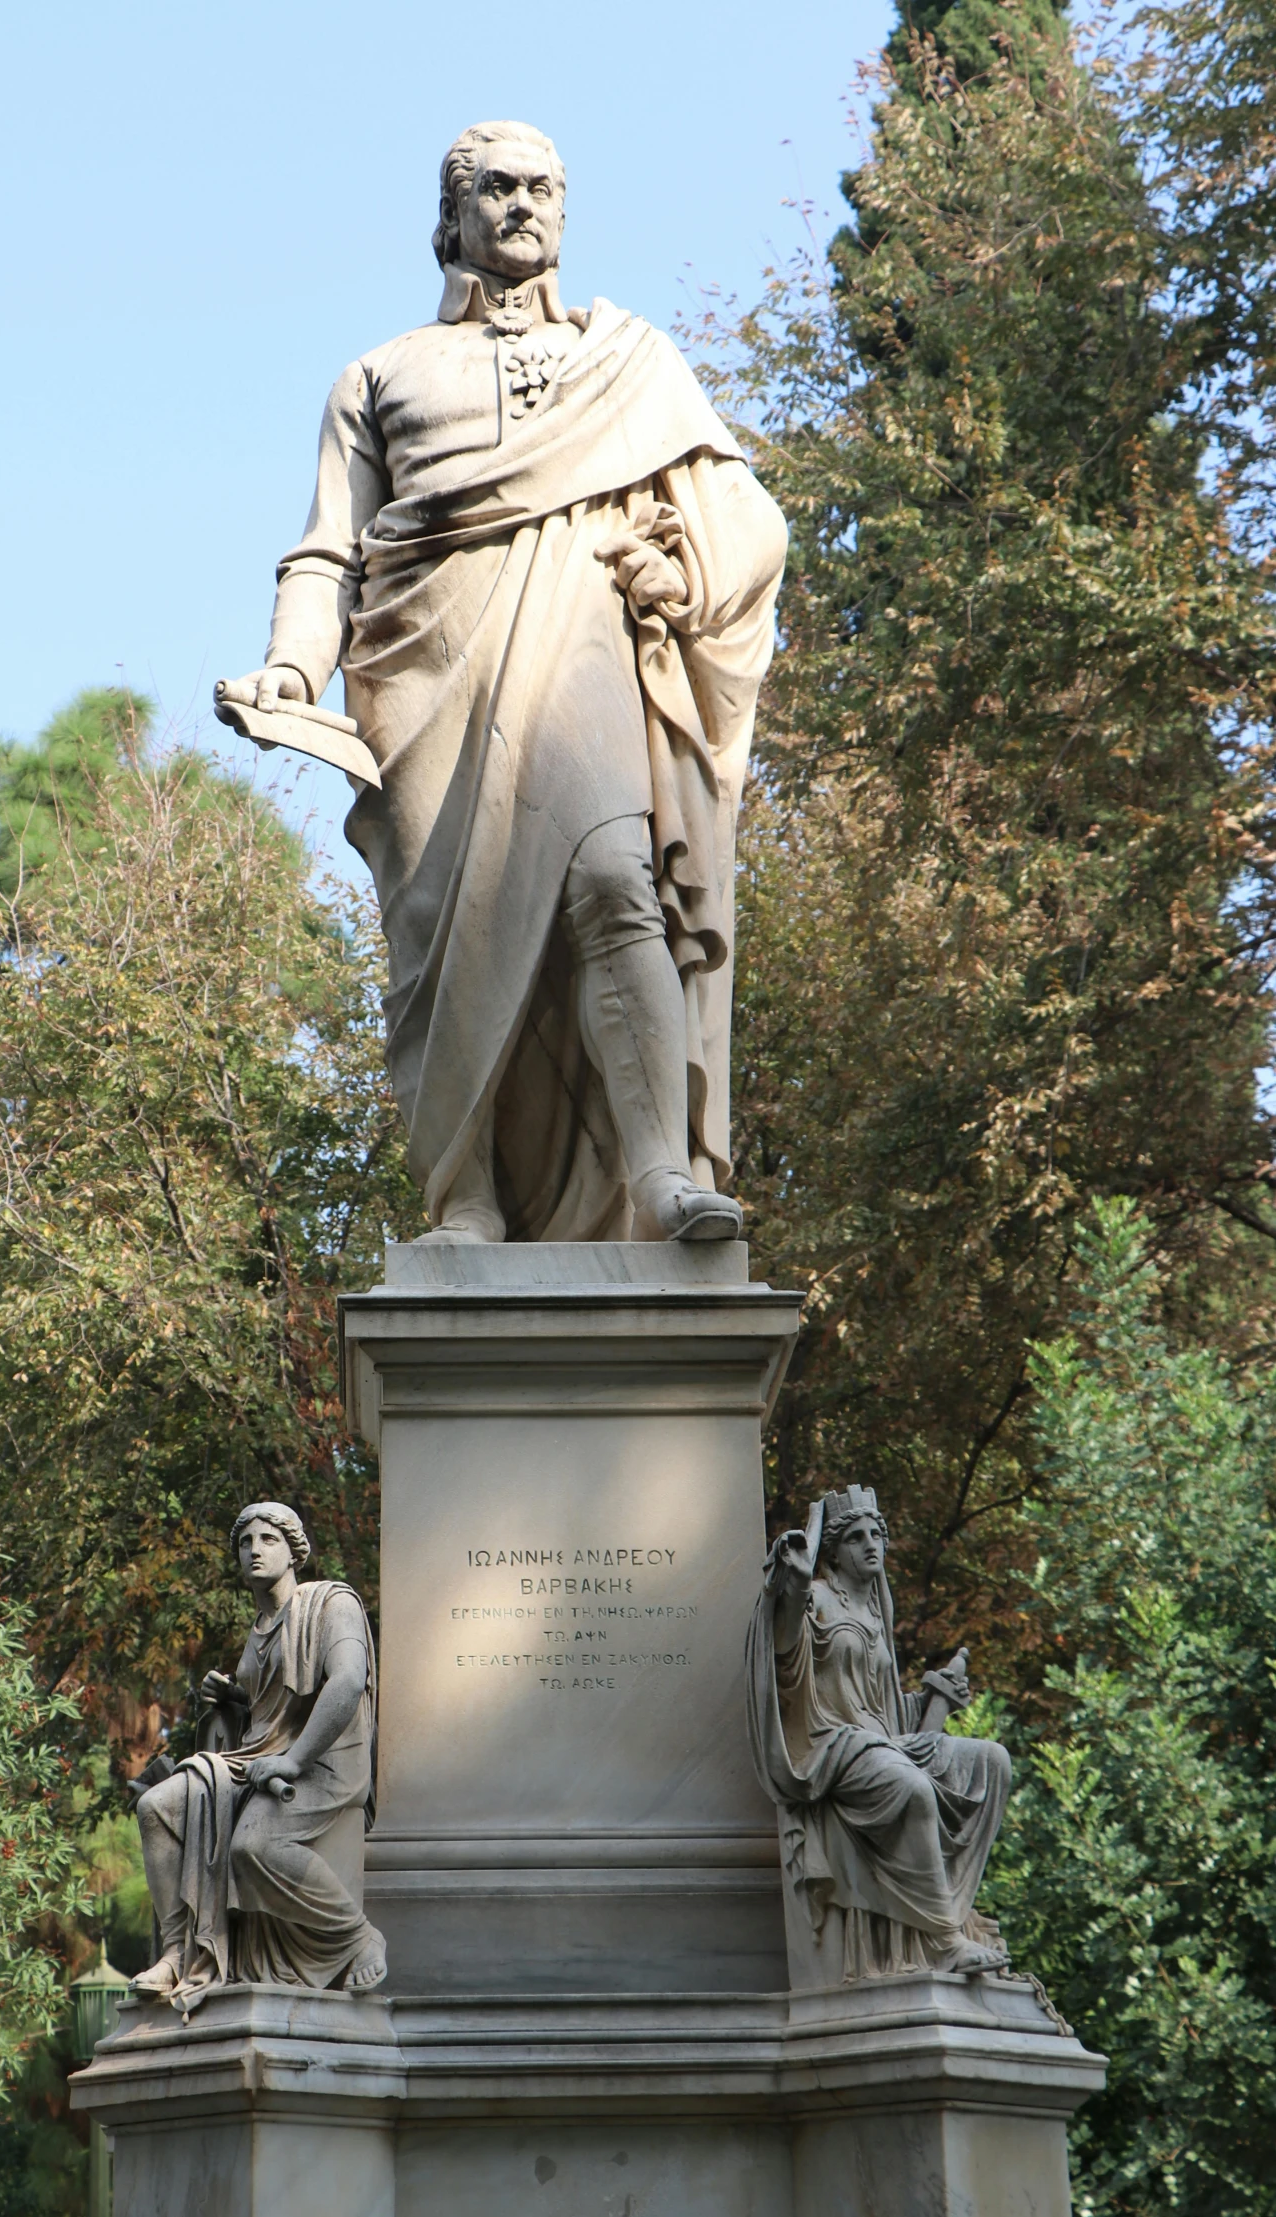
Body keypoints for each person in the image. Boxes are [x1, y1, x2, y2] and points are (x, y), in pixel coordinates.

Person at [218, 121, 787, 1245]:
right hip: (423, 680)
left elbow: (748, 519)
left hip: (579, 655)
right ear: (453, 215)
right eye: (496, 187)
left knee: (618, 886)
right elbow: (327, 552)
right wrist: (291, 665)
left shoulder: (629, 363)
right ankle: (463, 1197)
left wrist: (684, 567)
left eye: (541, 188)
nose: (521, 205)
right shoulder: (379, 375)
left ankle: (657, 1177)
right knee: (447, 937)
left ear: (565, 211)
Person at [746, 1483, 1011, 1980]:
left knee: (991, 1761)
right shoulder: (819, 1597)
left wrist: (936, 1700)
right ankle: (945, 1939)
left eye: (877, 1535)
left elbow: (887, 1713)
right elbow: (784, 1655)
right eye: (856, 1537)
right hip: (832, 1745)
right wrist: (796, 1587)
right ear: (834, 1552)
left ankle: (951, 1910)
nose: (871, 1544)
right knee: (911, 1788)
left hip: (882, 1742)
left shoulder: (875, 1611)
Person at [131, 1502, 385, 2006]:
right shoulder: (258, 1631)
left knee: (254, 1845)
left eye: (268, 1539)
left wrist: (292, 1761)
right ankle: (178, 1952)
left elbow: (348, 1680)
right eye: (245, 1543)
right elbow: (267, 1719)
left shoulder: (331, 1603)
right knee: (156, 1808)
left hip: (324, 1760)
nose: (254, 1550)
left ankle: (358, 1937)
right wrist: (232, 1702)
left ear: (294, 1552)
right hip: (259, 1760)